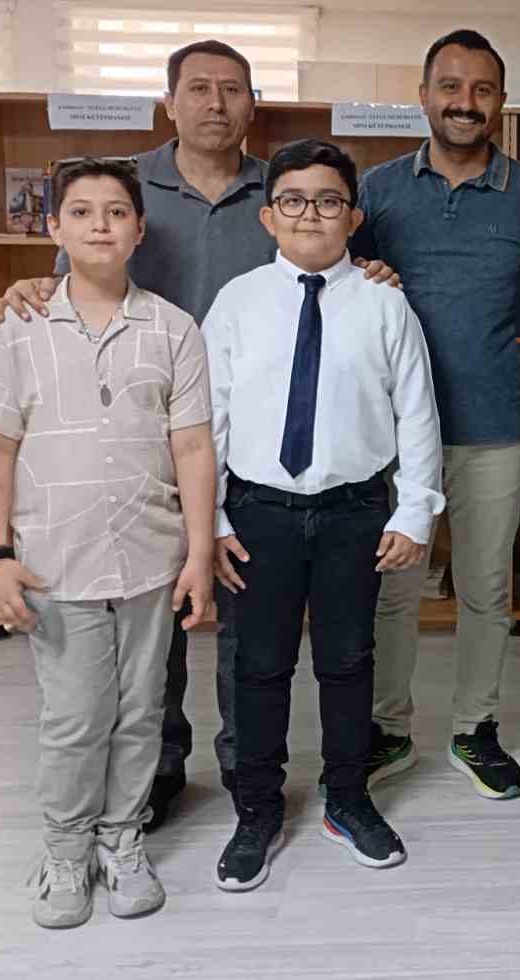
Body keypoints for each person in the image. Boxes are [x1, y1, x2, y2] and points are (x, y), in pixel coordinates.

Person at [0, 39, 396, 832]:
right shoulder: (130, 187)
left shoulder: (282, 191)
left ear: (253, 105)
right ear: (168, 102)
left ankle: (248, 768)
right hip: (142, 429)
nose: (216, 103)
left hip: (239, 439)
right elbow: (79, 268)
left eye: (233, 89)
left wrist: (375, 271)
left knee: (239, 609)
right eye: (199, 88)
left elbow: (334, 272)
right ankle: (160, 765)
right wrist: (31, 282)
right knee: (155, 612)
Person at [0, 158, 216, 928]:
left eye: (115, 211)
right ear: (54, 228)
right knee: (75, 717)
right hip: (54, 562)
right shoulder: (18, 326)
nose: (99, 224)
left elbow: (193, 447)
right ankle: (66, 850)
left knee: (141, 713)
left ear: (140, 229)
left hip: (148, 558)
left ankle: (121, 840)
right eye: (80, 211)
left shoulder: (173, 329)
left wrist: (199, 554)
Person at [203, 139, 443, 891]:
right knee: (259, 666)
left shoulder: (384, 303)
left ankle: (348, 797)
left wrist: (414, 511)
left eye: (330, 201)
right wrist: (212, 521)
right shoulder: (237, 303)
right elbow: (209, 419)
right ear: (269, 216)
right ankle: (257, 808)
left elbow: (417, 413)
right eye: (295, 200)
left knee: (347, 662)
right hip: (257, 515)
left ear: (353, 217)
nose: (311, 214)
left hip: (354, 514)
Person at [353, 29, 520, 800]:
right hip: (392, 431)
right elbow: (344, 287)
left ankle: (476, 727)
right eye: (450, 86)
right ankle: (388, 729)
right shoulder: (377, 190)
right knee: (394, 591)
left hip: (494, 423)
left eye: (481, 89)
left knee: (485, 588)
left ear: (501, 101)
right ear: (424, 96)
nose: (464, 103)